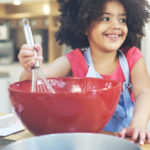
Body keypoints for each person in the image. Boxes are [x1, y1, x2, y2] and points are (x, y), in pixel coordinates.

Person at [18, 0, 150, 145]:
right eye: (106, 18)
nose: (116, 25)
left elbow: (144, 93)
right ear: (85, 25)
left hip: (126, 141)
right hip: (86, 143)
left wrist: (138, 125)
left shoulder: (132, 57)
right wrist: (30, 66)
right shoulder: (74, 60)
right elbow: (32, 82)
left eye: (122, 19)